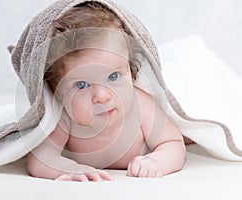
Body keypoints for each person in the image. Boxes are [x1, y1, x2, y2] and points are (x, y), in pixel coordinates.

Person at [27, 1, 186, 181]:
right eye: (82, 85)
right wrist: (67, 168)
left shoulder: (140, 105)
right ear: (58, 90)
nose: (102, 97)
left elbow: (173, 143)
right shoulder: (66, 117)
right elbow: (40, 157)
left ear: (131, 71)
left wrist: (157, 161)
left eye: (113, 76)